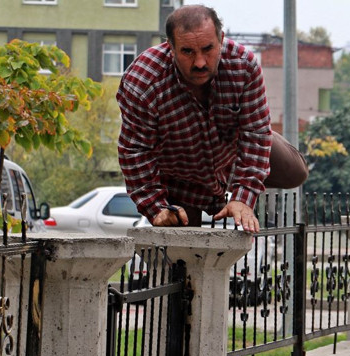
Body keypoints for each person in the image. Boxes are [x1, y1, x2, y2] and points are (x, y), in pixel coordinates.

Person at [116, 4, 308, 234]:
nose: (199, 62)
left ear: (221, 40)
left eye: (208, 49)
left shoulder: (243, 66)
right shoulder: (143, 82)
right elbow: (135, 153)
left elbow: (255, 135)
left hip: (232, 149)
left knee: (295, 171)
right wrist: (156, 207)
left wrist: (243, 196)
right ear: (171, 47)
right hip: (181, 175)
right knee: (184, 253)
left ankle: (241, 165)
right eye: (187, 51)